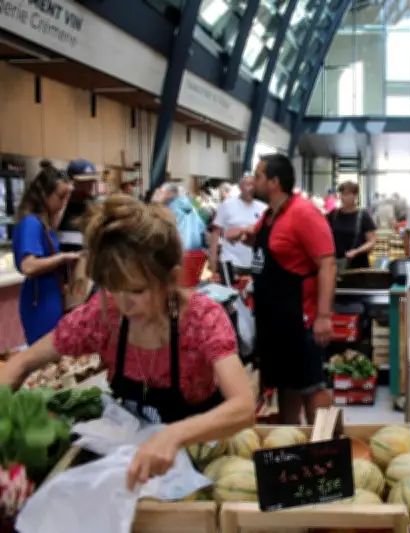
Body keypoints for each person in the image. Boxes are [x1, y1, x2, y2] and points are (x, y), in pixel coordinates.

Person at [1, 195, 255, 488]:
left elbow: (243, 406)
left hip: (201, 464)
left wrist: (174, 436)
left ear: (171, 279)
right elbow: (22, 363)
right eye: (113, 288)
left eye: (136, 291)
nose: (123, 303)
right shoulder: (103, 316)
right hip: (130, 465)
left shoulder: (202, 319)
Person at [226, 154, 335, 425]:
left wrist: (324, 316)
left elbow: (328, 264)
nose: (253, 182)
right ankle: (291, 441)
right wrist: (245, 235)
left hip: (300, 318)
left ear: (274, 182)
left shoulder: (304, 213)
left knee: (311, 386)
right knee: (286, 385)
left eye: (258, 176)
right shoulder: (270, 215)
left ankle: (329, 444)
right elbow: (271, 246)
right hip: (275, 320)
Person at [12, 161, 79, 344]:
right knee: (46, 350)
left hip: (50, 295)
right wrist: (63, 258)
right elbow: (28, 266)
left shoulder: (44, 223)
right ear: (44, 195)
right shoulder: (31, 223)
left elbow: (57, 214)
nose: (63, 203)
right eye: (61, 197)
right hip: (40, 300)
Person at [209, 175, 267, 284]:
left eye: (253, 185)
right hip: (230, 262)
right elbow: (215, 233)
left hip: (255, 264)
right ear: (240, 187)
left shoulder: (263, 208)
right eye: (248, 184)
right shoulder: (227, 205)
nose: (251, 187)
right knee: (229, 293)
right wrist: (213, 259)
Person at [328, 181, 377, 271]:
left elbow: (372, 241)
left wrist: (357, 251)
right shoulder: (333, 214)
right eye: (341, 194)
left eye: (346, 194)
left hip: (358, 265)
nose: (342, 197)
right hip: (337, 264)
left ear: (355, 195)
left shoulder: (363, 216)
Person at [58, 159, 101, 253]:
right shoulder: (58, 210)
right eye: (83, 183)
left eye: (91, 182)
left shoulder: (95, 210)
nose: (88, 187)